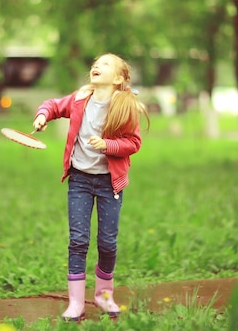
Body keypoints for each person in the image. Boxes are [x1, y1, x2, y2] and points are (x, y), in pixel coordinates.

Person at [33, 53, 150, 322]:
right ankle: (76, 303)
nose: (97, 66)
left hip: (110, 183)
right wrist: (42, 116)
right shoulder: (79, 99)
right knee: (78, 241)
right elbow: (53, 105)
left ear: (119, 78)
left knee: (107, 243)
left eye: (106, 64)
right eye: (96, 63)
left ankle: (103, 296)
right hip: (80, 181)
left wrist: (108, 145)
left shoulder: (124, 107)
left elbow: (134, 143)